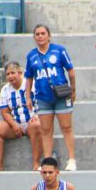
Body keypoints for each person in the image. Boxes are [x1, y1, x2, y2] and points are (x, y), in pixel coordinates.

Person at [24, 24, 77, 171]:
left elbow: (71, 71)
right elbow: (29, 78)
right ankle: (47, 162)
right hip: (42, 97)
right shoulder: (31, 55)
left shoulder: (59, 51)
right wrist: (28, 96)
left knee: (66, 127)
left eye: (43, 33)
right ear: (34, 37)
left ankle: (72, 159)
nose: (40, 36)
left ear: (49, 36)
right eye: (37, 34)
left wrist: (73, 90)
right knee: (46, 130)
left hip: (61, 94)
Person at [0, 62, 43, 171]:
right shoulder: (5, 90)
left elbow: (42, 103)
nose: (10, 76)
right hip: (15, 123)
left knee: (37, 125)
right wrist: (13, 124)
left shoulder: (32, 84)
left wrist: (37, 116)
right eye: (8, 74)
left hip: (31, 122)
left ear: (20, 73)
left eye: (13, 73)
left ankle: (36, 163)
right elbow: (5, 112)